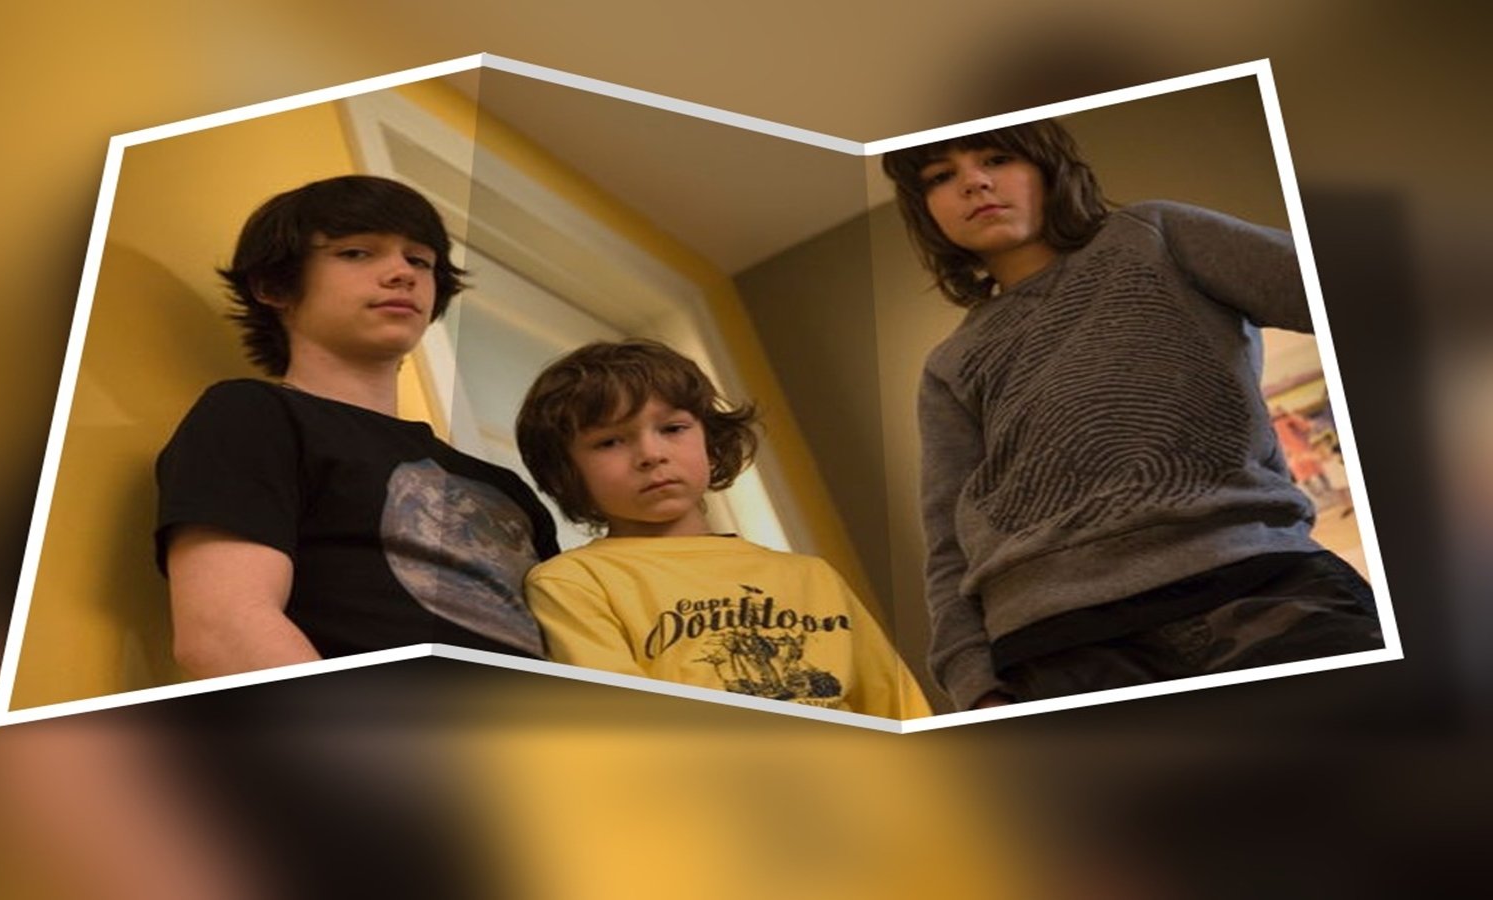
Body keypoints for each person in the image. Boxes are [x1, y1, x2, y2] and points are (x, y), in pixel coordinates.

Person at [880, 120, 1383, 710]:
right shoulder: (949, 365)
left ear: (1048, 169)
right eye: (942, 177)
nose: (974, 183)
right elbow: (948, 545)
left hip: (1260, 587)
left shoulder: (1155, 234)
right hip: (1056, 646)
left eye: (995, 158)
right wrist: (973, 686)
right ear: (926, 210)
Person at [155, 175, 557, 679]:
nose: (401, 274)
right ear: (274, 285)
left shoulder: (507, 488)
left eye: (420, 260)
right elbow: (223, 630)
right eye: (357, 253)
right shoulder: (251, 415)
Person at [514, 339, 931, 719]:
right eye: (609, 442)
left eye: (673, 429)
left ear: (710, 443)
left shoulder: (813, 576)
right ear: (567, 473)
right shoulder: (571, 583)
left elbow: (900, 709)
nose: (651, 454)